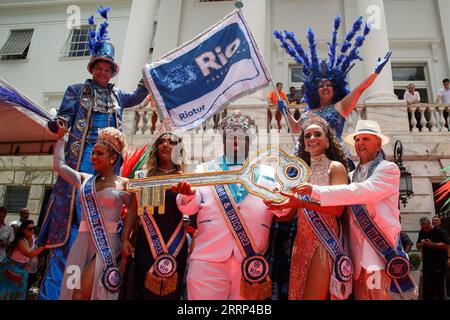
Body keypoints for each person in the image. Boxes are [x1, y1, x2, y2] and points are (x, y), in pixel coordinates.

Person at [37, 6, 148, 300]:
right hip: (82, 158)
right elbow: (63, 117)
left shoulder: (117, 95)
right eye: (99, 67)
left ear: (112, 72)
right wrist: (58, 125)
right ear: (92, 68)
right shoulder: (76, 90)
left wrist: (148, 78)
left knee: (106, 212)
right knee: (76, 223)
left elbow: (138, 97)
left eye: (108, 68)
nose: (103, 71)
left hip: (108, 161)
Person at [290, 120, 417, 300]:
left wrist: (314, 191)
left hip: (380, 255)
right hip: (356, 260)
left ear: (378, 144)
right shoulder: (351, 176)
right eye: (357, 140)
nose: (360, 143)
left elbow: (362, 191)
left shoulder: (388, 169)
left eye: (366, 139)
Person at [173, 110, 282, 300]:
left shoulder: (269, 173)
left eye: (241, 136)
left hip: (250, 262)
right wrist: (187, 195)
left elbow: (284, 210)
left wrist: (284, 202)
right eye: (230, 136)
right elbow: (189, 208)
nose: (235, 140)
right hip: (208, 260)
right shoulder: (204, 170)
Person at [274, 15, 392, 172]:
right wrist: (285, 111)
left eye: (329, 84)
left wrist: (376, 71)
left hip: (332, 156)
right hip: (305, 157)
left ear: (335, 88)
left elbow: (360, 88)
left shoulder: (340, 107)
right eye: (321, 85)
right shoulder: (310, 112)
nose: (325, 87)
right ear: (314, 90)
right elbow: (296, 129)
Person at [264, 116, 351, 300]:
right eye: (307, 136)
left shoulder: (335, 167)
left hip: (323, 239)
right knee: (297, 295)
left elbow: (337, 210)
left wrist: (302, 203)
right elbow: (288, 214)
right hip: (301, 241)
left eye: (317, 134)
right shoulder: (301, 174)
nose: (312, 138)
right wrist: (272, 201)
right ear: (303, 144)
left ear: (327, 142)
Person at [52, 123, 135, 300]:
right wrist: (61, 138)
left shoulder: (125, 184)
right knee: (72, 291)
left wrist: (125, 237)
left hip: (107, 244)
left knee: (81, 295)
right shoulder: (85, 179)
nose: (93, 157)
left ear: (113, 158)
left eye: (99, 153)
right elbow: (59, 165)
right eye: (93, 153)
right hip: (81, 243)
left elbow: (134, 210)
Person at [121, 122, 188, 300]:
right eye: (161, 141)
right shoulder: (143, 177)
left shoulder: (187, 178)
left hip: (176, 244)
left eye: (171, 142)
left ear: (178, 149)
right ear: (156, 147)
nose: (165, 145)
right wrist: (125, 238)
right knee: (143, 292)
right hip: (146, 244)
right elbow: (134, 209)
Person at [0, 220, 46, 300]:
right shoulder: (20, 240)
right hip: (12, 268)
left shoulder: (33, 237)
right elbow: (29, 253)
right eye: (30, 228)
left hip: (22, 269)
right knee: (8, 294)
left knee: (18, 294)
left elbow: (31, 254)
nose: (32, 230)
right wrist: (43, 246)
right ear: (23, 230)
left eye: (34, 228)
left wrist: (28, 262)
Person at [417, 216, 450, 300]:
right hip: (427, 264)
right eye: (423, 228)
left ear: (429, 223)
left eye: (426, 227)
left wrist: (433, 244)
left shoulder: (440, 231)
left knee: (439, 286)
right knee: (427, 286)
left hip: (439, 263)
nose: (425, 229)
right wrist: (421, 244)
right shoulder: (422, 232)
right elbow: (417, 246)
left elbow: (446, 245)